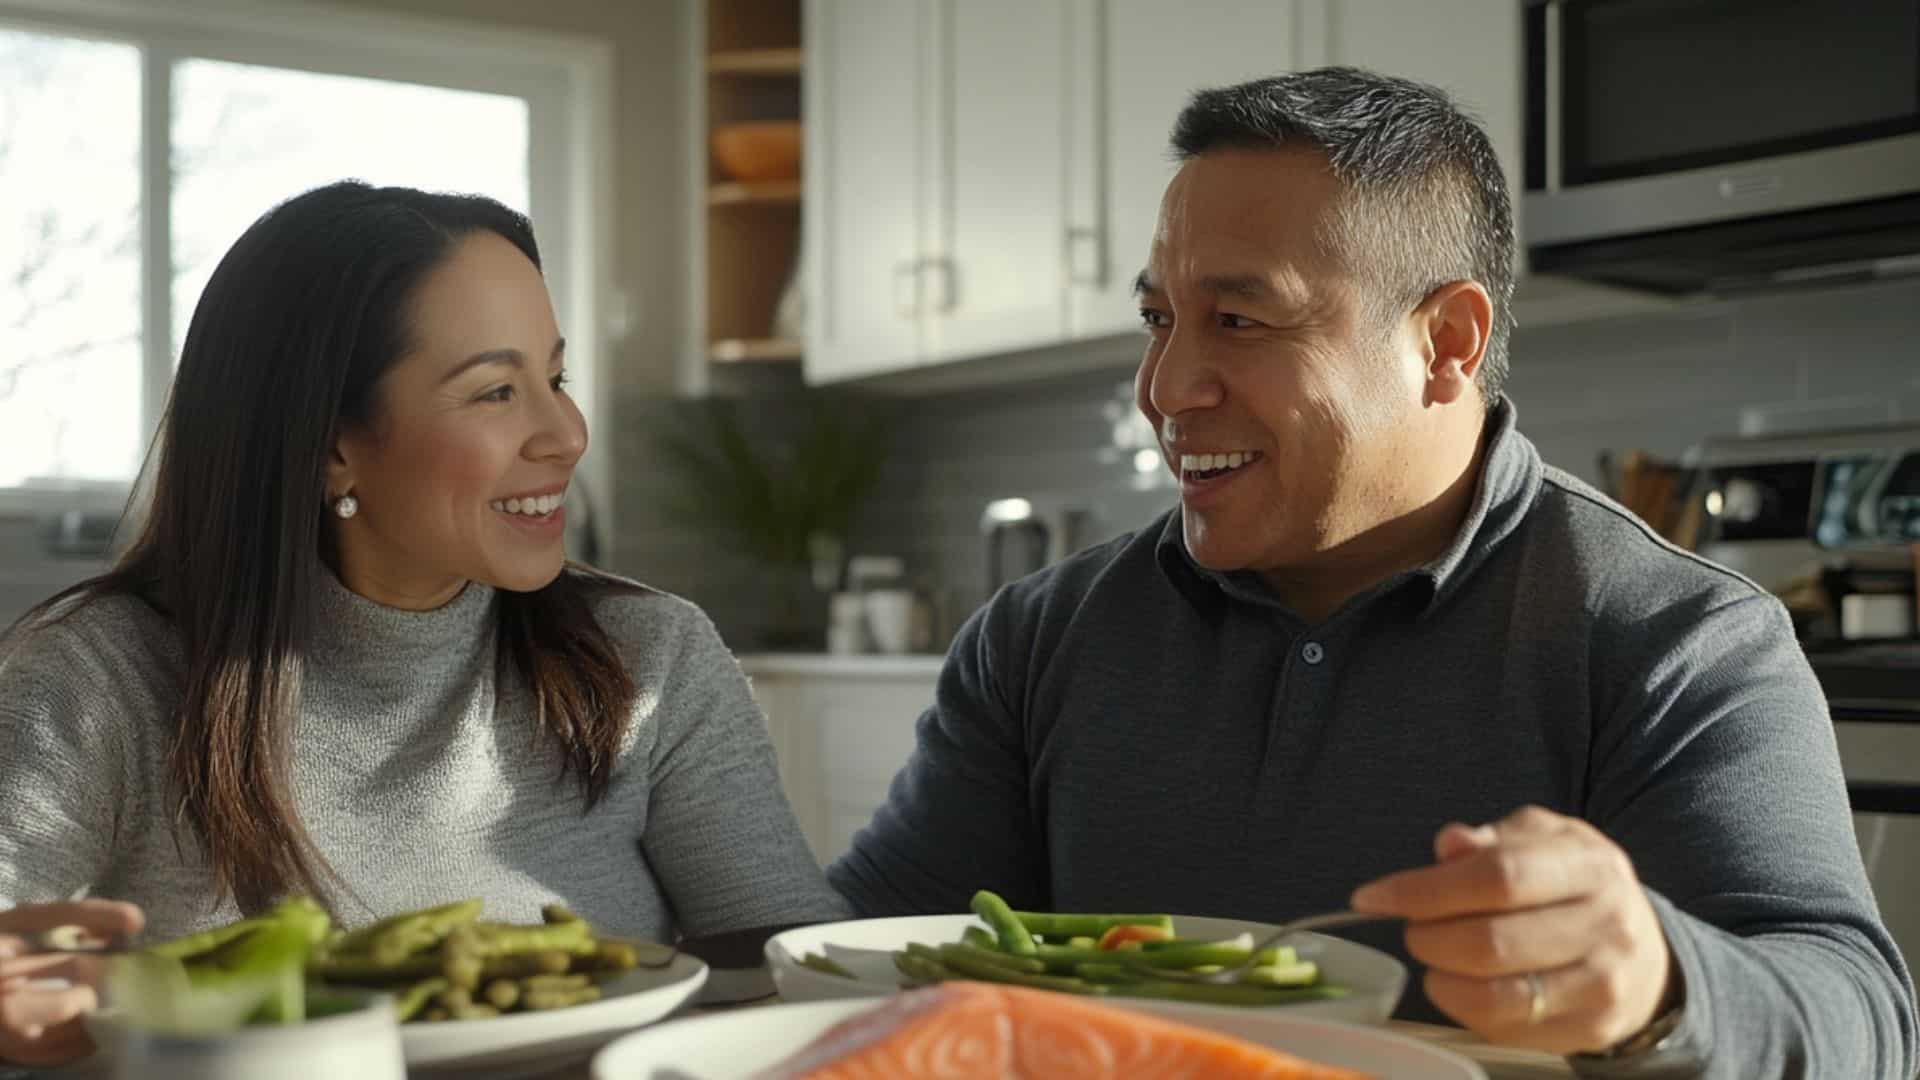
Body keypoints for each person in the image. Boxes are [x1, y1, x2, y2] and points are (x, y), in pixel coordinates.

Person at [827, 68, 1917, 1077]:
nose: (1164, 388)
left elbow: (1864, 1021)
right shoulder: (1041, 636)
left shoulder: (1677, 636)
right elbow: (851, 958)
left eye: (1239, 320)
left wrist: (1661, 982)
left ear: (1446, 342)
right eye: (1159, 318)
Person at [0, 181, 846, 1068]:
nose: (565, 433)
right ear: (331, 446)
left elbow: (801, 987)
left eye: (555, 379)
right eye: (495, 392)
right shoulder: (93, 684)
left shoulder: (650, 658)